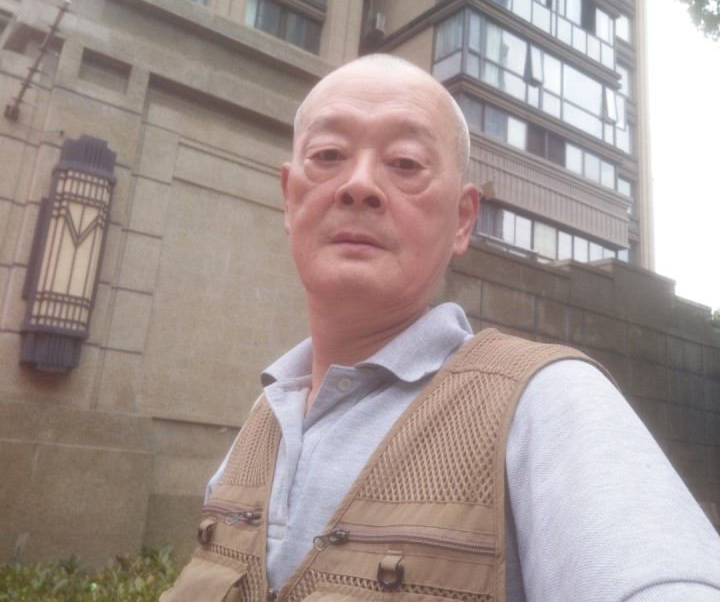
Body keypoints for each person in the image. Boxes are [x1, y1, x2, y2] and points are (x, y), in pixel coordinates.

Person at [162, 55, 720, 602]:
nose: (359, 184)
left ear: (462, 219)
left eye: (405, 163)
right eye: (329, 154)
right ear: (289, 199)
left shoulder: (544, 402)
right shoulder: (261, 423)